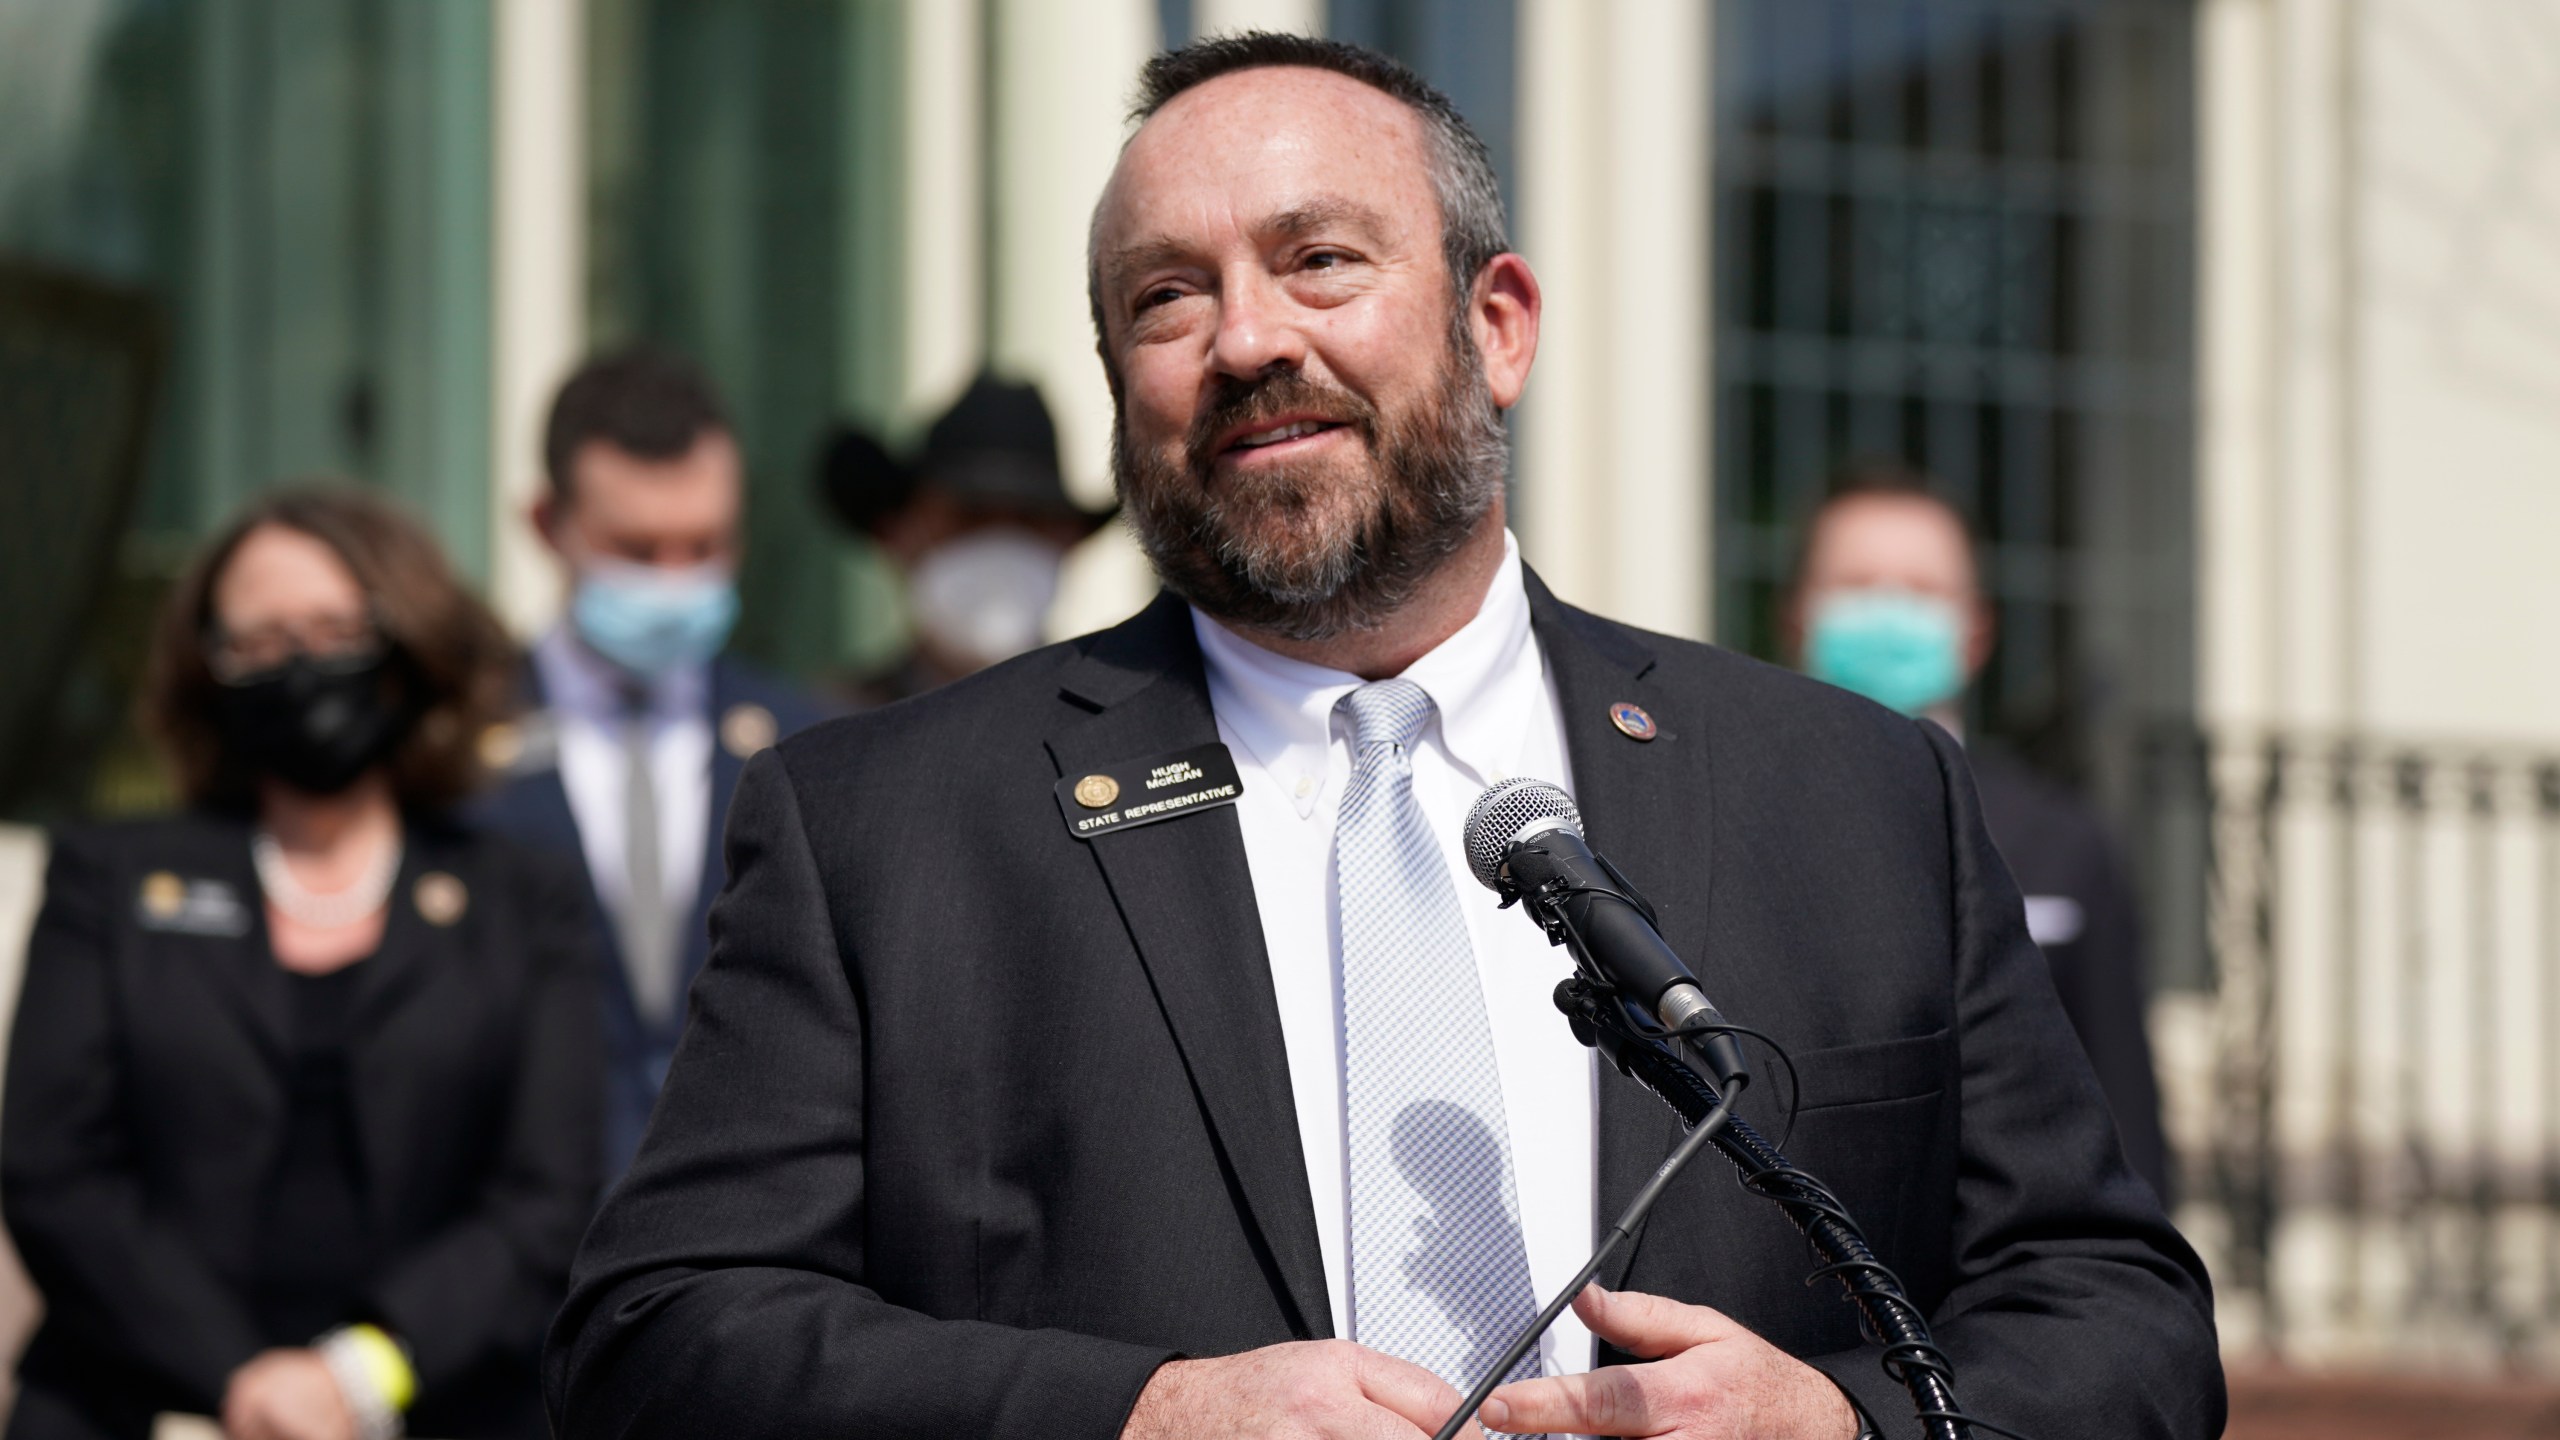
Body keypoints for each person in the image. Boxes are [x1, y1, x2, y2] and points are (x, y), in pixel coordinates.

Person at [548, 33, 2220, 1440]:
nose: (1251, 340)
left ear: (1498, 323)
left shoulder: (1854, 798)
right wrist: (1137, 1417)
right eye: (1165, 300)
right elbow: (660, 1343)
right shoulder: (884, 830)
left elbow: (2122, 1323)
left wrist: (1847, 1420)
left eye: (1319, 258)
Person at [5, 488, 600, 1440]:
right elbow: (54, 1168)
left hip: (440, 1406)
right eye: (263, 642)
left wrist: (354, 1376)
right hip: (138, 1407)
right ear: (208, 668)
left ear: (405, 649)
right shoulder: (109, 879)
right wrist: (245, 1383)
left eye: (333, 631)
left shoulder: (523, 901)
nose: (302, 668)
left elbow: (548, 1198)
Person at [472, 346, 830, 1180]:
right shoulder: (461, 752)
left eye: (704, 547)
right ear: (544, 526)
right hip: (525, 1249)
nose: (676, 582)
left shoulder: (803, 741)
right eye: (637, 550)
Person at [1781, 462, 2173, 1204]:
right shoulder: (1733, 810)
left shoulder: (2066, 844)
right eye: (1858, 587)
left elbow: (2124, 1110)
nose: (1889, 612)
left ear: (1976, 632)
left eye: (1923, 592)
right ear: (1797, 614)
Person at [817, 372, 1115, 704]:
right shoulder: (831, 731)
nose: (1001, 546)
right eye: (971, 517)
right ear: (897, 532)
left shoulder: (1124, 726)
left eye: (1030, 520)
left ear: (1069, 538)